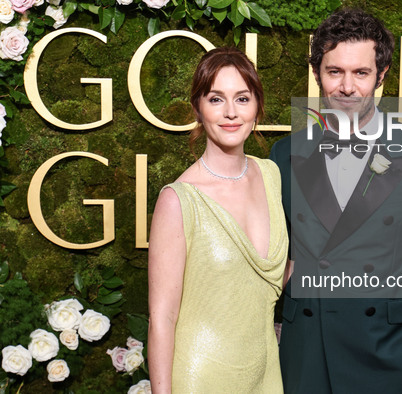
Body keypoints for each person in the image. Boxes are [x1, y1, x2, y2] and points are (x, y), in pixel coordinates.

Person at [270, 9, 402, 393]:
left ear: (382, 74)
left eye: (360, 72)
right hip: (306, 355)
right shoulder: (285, 153)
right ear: (317, 74)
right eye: (334, 72)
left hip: (390, 357)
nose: (347, 87)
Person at [147, 47, 289, 393]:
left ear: (257, 106)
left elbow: (263, 282)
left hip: (266, 372)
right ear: (198, 107)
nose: (230, 113)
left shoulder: (271, 175)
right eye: (216, 99)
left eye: (242, 98)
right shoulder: (178, 200)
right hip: (201, 376)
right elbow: (162, 319)